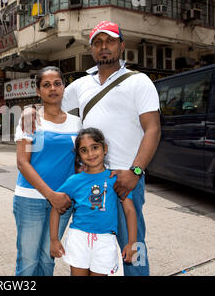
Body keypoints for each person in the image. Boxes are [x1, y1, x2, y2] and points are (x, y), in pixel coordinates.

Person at [22, 21, 161, 276]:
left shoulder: (139, 82)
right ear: (92, 49)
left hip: (125, 177)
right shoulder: (82, 84)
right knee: (97, 246)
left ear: (121, 45)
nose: (104, 47)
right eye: (98, 43)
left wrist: (135, 171)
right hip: (91, 179)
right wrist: (31, 109)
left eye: (109, 41)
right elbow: (52, 98)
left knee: (133, 243)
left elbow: (153, 129)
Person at [14, 66, 82, 276]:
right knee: (27, 261)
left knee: (47, 259)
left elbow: (80, 162)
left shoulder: (78, 123)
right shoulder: (30, 119)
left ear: (64, 87)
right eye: (46, 85)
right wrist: (50, 195)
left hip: (62, 202)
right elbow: (22, 163)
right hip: (30, 199)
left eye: (57, 83)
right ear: (38, 91)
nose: (53, 88)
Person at [50, 128, 137, 276]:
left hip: (105, 241)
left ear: (105, 149)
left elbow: (130, 210)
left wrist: (132, 243)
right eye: (84, 150)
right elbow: (55, 208)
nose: (90, 154)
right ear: (79, 155)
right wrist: (53, 240)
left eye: (95, 147)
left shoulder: (116, 179)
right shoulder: (74, 181)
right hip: (78, 238)